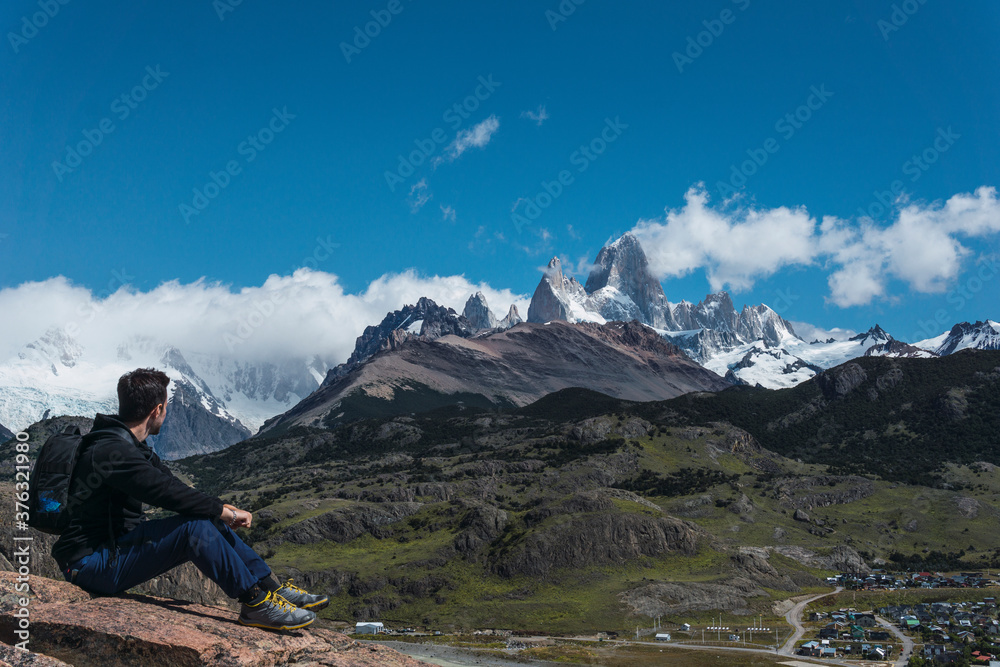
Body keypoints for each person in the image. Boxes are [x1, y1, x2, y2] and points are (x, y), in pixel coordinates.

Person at [51, 368, 328, 631]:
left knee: (205, 518)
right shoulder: (113, 451)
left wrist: (219, 509)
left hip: (112, 551)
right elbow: (167, 494)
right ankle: (254, 602)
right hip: (89, 565)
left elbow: (172, 484)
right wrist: (224, 512)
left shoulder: (127, 445)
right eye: (167, 408)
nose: (166, 413)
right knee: (193, 528)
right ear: (157, 410)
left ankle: (271, 588)